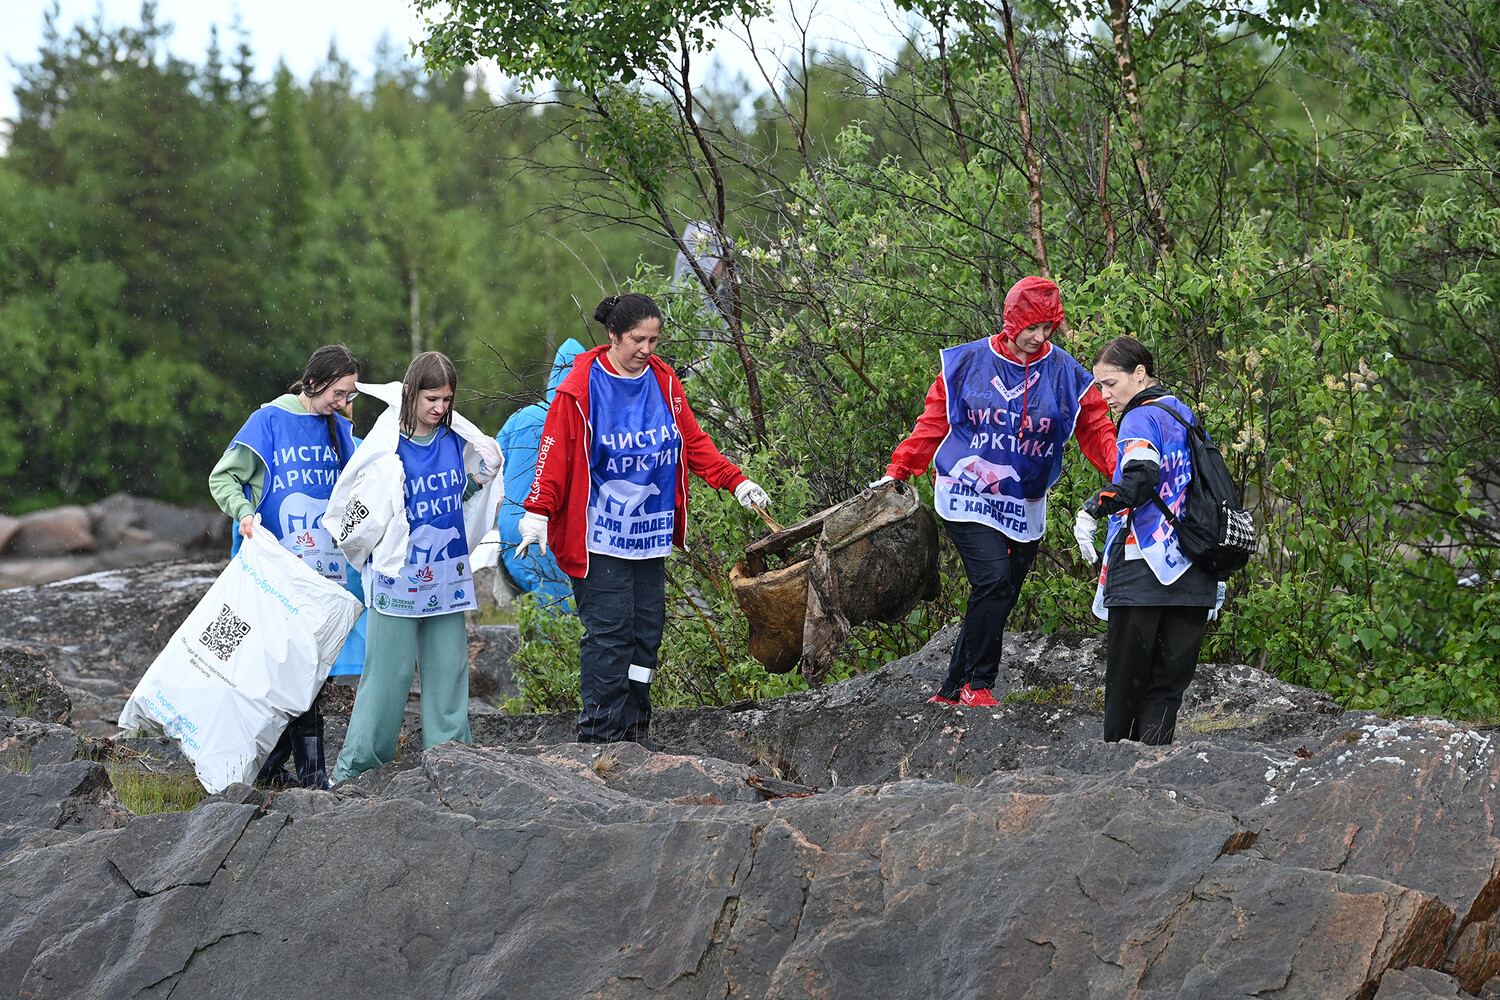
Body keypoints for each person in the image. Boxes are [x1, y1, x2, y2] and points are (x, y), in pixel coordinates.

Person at [518, 292, 770, 748]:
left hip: (650, 537)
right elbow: (554, 455)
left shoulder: (664, 381)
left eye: (653, 340)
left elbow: (692, 441)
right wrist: (537, 510)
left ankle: (635, 733)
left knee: (645, 637)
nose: (646, 350)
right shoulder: (580, 388)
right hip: (599, 539)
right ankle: (597, 738)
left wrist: (736, 481)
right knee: (610, 636)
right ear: (613, 335)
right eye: (637, 340)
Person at [878, 276, 1117, 707]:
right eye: (1032, 327)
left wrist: (1125, 477)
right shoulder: (966, 362)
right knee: (992, 580)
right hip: (964, 490)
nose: (1039, 337)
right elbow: (933, 422)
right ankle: (979, 685)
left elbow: (1096, 429)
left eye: (1048, 328)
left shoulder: (1065, 373)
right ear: (1012, 320)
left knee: (1001, 593)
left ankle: (951, 689)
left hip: (1023, 500)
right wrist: (901, 469)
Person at [330, 352, 500, 782]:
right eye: (431, 399)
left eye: (447, 399)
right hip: (398, 579)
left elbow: (469, 492)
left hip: (445, 575)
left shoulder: (455, 440)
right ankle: (359, 769)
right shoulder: (386, 447)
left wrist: (483, 473)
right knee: (389, 674)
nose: (440, 408)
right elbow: (357, 513)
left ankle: (453, 760)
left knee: (449, 668)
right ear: (411, 394)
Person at [208, 344, 360, 788]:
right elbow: (223, 477)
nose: (344, 403)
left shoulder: (341, 429)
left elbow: (372, 479)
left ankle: (268, 773)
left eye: (349, 395)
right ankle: (309, 779)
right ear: (314, 382)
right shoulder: (269, 421)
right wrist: (243, 511)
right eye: (339, 392)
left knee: (304, 675)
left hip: (324, 579)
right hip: (277, 575)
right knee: (293, 674)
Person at [1077, 336, 1221, 745]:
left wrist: (1092, 509)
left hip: (1143, 564)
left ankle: (1116, 779)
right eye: (1099, 387)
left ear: (1139, 374)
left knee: (1125, 684)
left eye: (1110, 383)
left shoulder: (1140, 419)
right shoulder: (1185, 414)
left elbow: (1141, 476)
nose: (1105, 396)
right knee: (1166, 690)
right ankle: (1151, 775)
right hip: (1195, 566)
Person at [493, 338, 586, 610]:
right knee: (557, 608)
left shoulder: (524, 416)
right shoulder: (582, 419)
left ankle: (531, 651)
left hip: (512, 529)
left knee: (535, 606)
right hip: (547, 531)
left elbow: (493, 460)